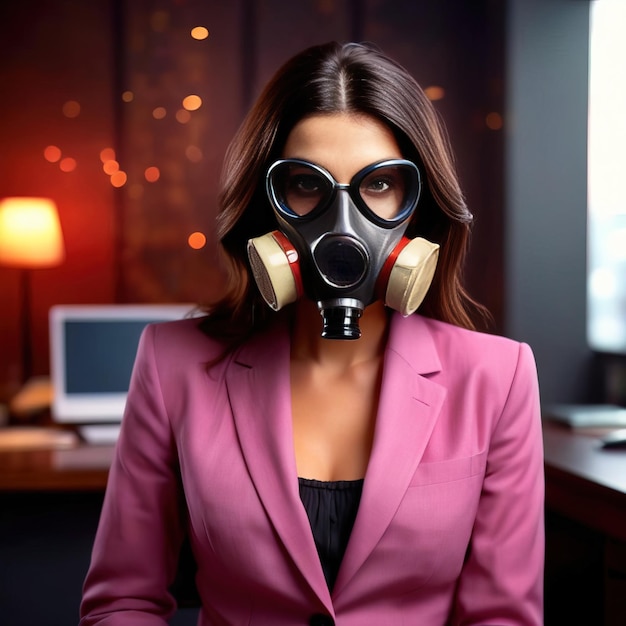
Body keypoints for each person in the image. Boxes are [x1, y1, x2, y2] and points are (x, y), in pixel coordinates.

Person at [79, 41, 544, 625]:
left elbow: (502, 616)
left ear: (418, 208)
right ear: (266, 205)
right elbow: (122, 601)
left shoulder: (495, 378)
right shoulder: (174, 365)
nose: (342, 225)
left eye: (378, 186)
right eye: (306, 185)